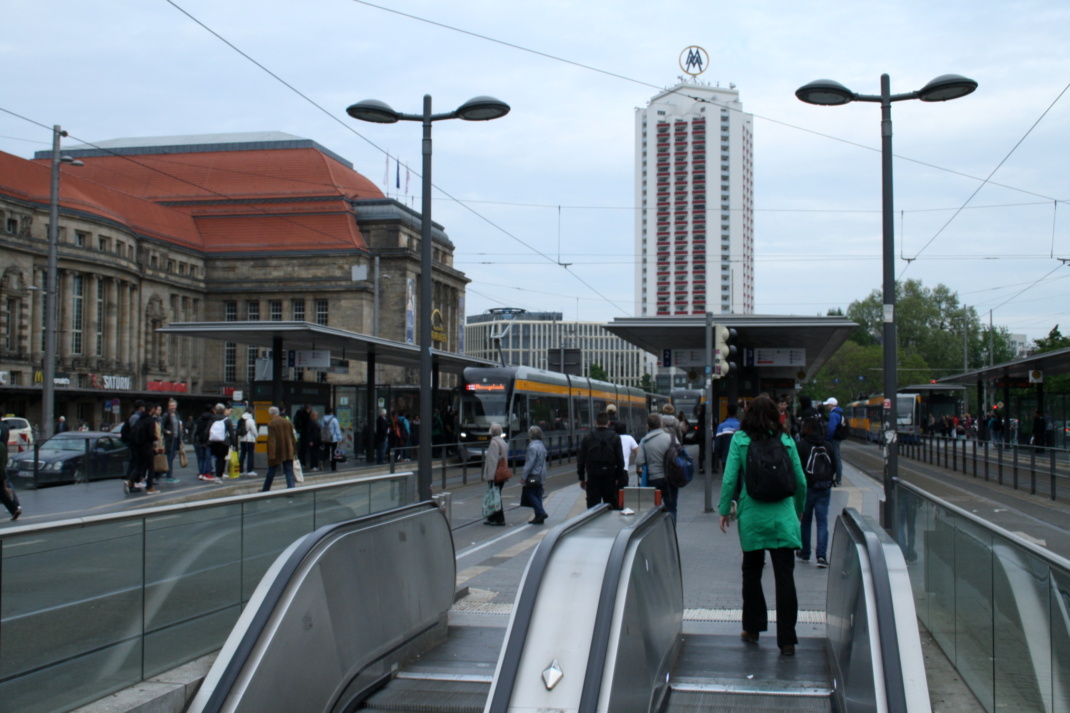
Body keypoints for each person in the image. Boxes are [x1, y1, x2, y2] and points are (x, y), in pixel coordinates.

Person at [718, 394, 807, 656]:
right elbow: (800, 481)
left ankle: (753, 628)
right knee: (785, 577)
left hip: (752, 515)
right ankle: (787, 640)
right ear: (776, 414)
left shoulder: (740, 439)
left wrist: (725, 510)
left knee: (752, 572)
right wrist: (799, 509)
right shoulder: (787, 439)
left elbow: (729, 477)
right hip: (783, 515)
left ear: (748, 414)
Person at [796, 415, 832, 567]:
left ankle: (805, 553)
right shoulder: (827, 445)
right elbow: (834, 464)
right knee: (822, 522)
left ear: (806, 429)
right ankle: (822, 556)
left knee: (806, 521)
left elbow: (797, 468)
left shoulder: (801, 445)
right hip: (824, 486)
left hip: (808, 488)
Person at [577, 412, 625, 509]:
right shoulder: (615, 438)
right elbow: (620, 461)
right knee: (611, 505)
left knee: (593, 507)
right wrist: (618, 477)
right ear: (608, 422)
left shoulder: (588, 438)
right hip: (610, 477)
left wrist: (582, 478)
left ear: (595, 422)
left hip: (593, 477)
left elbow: (581, 460)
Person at [635, 413, 676, 519]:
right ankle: (671, 532)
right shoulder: (671, 438)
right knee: (671, 508)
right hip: (670, 479)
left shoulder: (644, 441)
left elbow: (639, 461)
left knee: (652, 510)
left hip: (653, 479)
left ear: (647, 426)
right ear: (661, 424)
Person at [262, 406, 297, 491]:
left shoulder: (271, 423)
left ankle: (266, 489)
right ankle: (291, 488)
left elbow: (272, 440)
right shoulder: (287, 422)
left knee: (271, 470)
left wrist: (270, 454)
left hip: (277, 450)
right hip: (288, 449)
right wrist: (294, 450)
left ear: (271, 414)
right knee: (288, 470)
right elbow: (292, 437)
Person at [521, 425, 549, 525]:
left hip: (534, 476)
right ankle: (538, 516)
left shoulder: (532, 447)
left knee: (530, 493)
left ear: (531, 435)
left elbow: (529, 463)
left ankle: (541, 512)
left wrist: (523, 477)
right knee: (538, 493)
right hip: (541, 475)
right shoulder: (541, 445)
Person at [482, 423, 508, 526]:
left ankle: (499, 519)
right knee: (495, 495)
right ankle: (492, 517)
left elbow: (493, 461)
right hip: (502, 473)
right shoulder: (503, 442)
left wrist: (490, 477)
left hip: (496, 474)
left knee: (495, 496)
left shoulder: (493, 443)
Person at [0, 418, 22, 520]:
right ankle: (14, 508)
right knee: (3, 492)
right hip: (1, 470)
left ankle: (14, 508)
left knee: (3, 492)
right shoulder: (5, 427)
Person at [207, 403, 231, 483]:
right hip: (224, 442)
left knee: (217, 459)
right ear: (224, 411)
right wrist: (233, 443)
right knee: (222, 459)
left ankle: (218, 475)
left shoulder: (212, 419)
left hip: (213, 442)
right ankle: (219, 476)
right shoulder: (227, 420)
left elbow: (207, 431)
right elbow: (231, 432)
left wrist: (206, 441)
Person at [161, 398, 183, 483]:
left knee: (172, 457)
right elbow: (161, 426)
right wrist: (166, 431)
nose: (173, 407)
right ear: (168, 406)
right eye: (171, 406)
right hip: (170, 439)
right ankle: (168, 476)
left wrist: (181, 440)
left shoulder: (177, 415)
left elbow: (179, 427)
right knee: (169, 458)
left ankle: (168, 474)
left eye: (174, 405)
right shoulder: (166, 415)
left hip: (176, 438)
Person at [714, 403, 741, 472]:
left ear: (727, 412)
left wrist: (720, 456)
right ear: (736, 413)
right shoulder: (741, 426)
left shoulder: (721, 426)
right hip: (738, 458)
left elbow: (717, 445)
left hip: (725, 457)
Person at [824, 397, 845, 486]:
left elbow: (831, 428)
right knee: (837, 457)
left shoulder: (833, 414)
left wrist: (828, 438)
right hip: (838, 438)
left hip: (834, 439)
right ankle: (837, 478)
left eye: (828, 405)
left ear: (832, 405)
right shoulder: (839, 412)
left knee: (836, 457)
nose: (827, 406)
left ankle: (838, 479)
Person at [192, 404, 215, 480]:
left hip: (200, 439)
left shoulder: (201, 418)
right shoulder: (211, 418)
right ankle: (207, 473)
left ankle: (201, 473)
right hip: (207, 439)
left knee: (201, 457)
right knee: (207, 457)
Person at [615, 421, 639, 487]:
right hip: (623, 469)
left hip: (611, 469)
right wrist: (638, 467)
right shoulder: (629, 438)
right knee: (622, 492)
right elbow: (638, 453)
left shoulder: (612, 438)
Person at [322, 407, 343, 471]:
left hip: (325, 438)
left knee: (326, 452)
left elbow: (321, 428)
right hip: (333, 438)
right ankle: (333, 467)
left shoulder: (322, 419)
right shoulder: (334, 419)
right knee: (334, 452)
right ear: (331, 412)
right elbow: (337, 430)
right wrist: (340, 438)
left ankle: (323, 463)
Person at [238, 408, 258, 477]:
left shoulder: (241, 419)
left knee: (242, 454)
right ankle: (249, 470)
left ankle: (241, 470)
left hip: (242, 439)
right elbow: (254, 430)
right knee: (250, 454)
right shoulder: (250, 420)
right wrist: (256, 436)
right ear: (251, 413)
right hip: (250, 439)